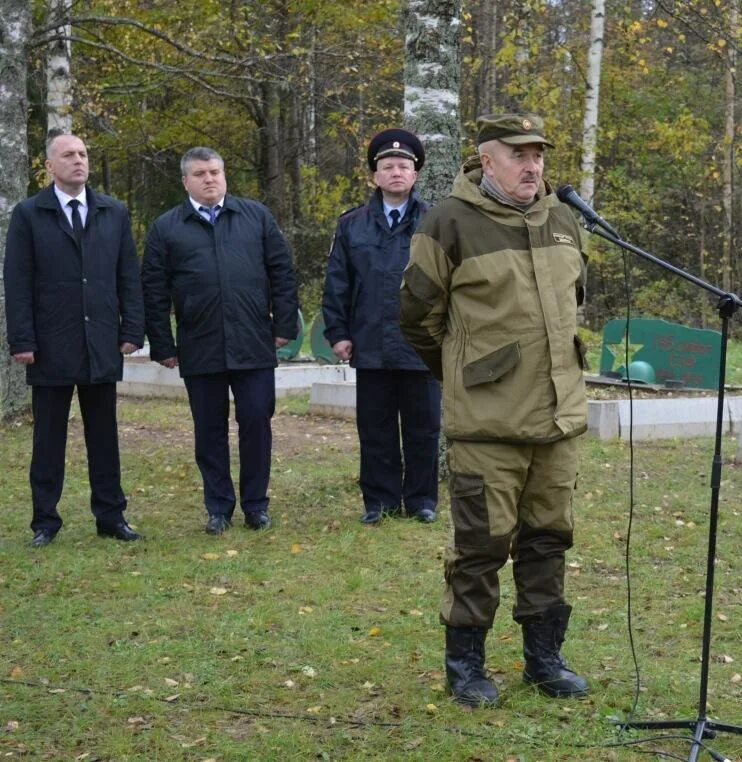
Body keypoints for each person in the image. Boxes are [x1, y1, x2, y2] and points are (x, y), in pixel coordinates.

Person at [399, 113, 589, 706]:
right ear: (487, 161)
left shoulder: (563, 220)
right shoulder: (449, 223)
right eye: (519, 154)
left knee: (548, 539)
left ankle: (545, 659)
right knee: (481, 546)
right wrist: (466, 378)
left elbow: (574, 301)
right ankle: (466, 665)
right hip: (488, 424)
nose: (533, 165)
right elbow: (417, 319)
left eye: (538, 153)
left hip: (558, 421)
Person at [141, 147, 299, 535]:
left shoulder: (256, 216)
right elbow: (154, 290)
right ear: (186, 182)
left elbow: (282, 271)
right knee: (209, 430)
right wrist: (162, 343)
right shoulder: (166, 227)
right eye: (200, 174)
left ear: (224, 175)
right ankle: (218, 507)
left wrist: (285, 325)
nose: (209, 179)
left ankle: (256, 506)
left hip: (253, 342)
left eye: (215, 171)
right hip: (201, 344)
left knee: (256, 423)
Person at [3, 133, 145, 547]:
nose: (78, 160)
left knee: (104, 435)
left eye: (83, 154)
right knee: (48, 438)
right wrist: (22, 340)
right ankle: (45, 521)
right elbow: (18, 281)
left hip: (100, 340)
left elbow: (127, 277)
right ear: (49, 165)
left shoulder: (113, 212)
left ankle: (111, 516)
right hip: (50, 344)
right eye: (68, 155)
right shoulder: (29, 214)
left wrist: (131, 330)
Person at [322, 129, 441, 526]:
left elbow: (452, 285)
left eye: (403, 166)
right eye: (387, 166)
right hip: (370, 343)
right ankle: (380, 501)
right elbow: (338, 283)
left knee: (423, 428)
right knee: (375, 429)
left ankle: (422, 499)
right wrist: (338, 333)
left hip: (422, 347)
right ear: (375, 175)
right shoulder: (352, 225)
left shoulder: (435, 223)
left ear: (415, 174)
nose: (395, 172)